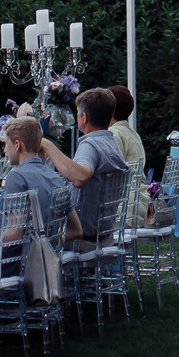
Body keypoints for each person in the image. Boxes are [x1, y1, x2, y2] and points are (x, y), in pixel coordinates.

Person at [39, 88, 130, 243]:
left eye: (77, 112)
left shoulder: (90, 145)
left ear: (84, 117)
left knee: (30, 236)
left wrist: (47, 146)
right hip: (104, 235)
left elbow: (81, 177)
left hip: (82, 240)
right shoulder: (110, 143)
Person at [1, 114, 80, 238]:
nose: (4, 150)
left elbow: (14, 234)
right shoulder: (55, 178)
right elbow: (76, 231)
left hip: (25, 256)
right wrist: (47, 238)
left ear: (17, 145)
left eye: (6, 144)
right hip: (51, 254)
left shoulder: (16, 177)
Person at [108, 86, 149, 224]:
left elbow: (112, 172)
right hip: (141, 200)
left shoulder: (113, 133)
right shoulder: (132, 133)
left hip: (123, 207)